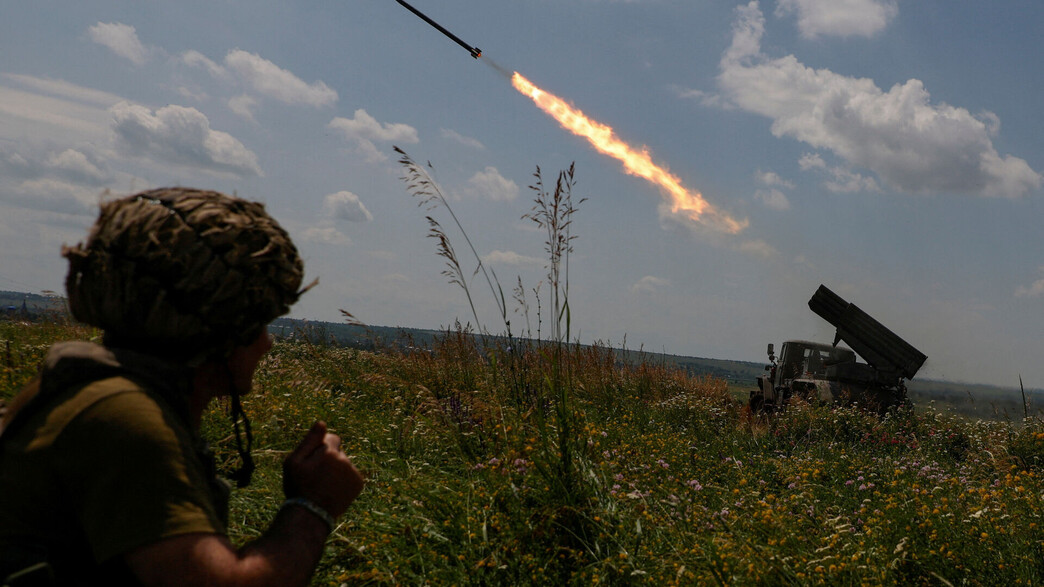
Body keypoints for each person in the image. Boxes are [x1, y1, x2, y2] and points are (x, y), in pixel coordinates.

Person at [0, 188, 364, 586]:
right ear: (220, 333)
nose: (266, 343)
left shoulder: (100, 391)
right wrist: (314, 506)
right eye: (258, 324)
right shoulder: (124, 419)